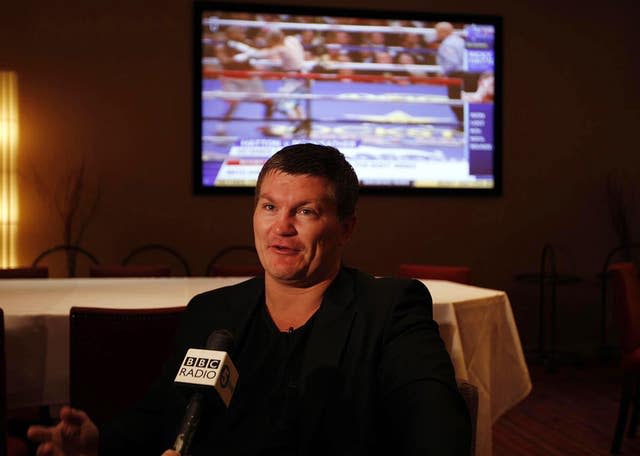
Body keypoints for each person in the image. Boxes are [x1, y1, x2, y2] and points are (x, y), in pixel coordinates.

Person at [28, 144, 471, 456]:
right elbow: (166, 413)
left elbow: (439, 437)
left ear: (346, 227)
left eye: (306, 211)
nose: (282, 227)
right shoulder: (212, 312)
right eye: (269, 207)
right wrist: (98, 441)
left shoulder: (389, 308)